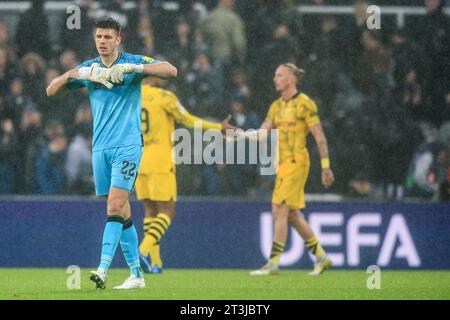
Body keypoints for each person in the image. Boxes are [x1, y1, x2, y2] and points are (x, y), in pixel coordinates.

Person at [46, 17, 177, 289]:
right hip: (101, 148)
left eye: (108, 37)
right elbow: (51, 90)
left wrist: (134, 68)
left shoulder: (131, 61)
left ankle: (103, 268)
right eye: (99, 37)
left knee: (115, 206)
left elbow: (170, 70)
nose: (103, 41)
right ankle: (136, 275)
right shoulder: (89, 67)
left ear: (118, 39)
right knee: (123, 211)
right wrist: (75, 75)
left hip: (128, 145)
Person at [235, 63, 335, 276]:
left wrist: (326, 167)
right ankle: (322, 257)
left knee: (278, 209)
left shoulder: (305, 104)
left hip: (297, 162)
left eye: (279, 75)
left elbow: (319, 137)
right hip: (282, 165)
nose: (275, 79)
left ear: (290, 79)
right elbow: (262, 133)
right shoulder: (276, 106)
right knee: (293, 216)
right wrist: (240, 135)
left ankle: (273, 263)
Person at [136, 76, 235, 273]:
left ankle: (156, 263)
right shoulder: (164, 97)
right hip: (160, 159)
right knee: (168, 210)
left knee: (150, 209)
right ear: (153, 76)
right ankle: (142, 251)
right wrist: (217, 128)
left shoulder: (129, 97)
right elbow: (188, 120)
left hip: (139, 158)